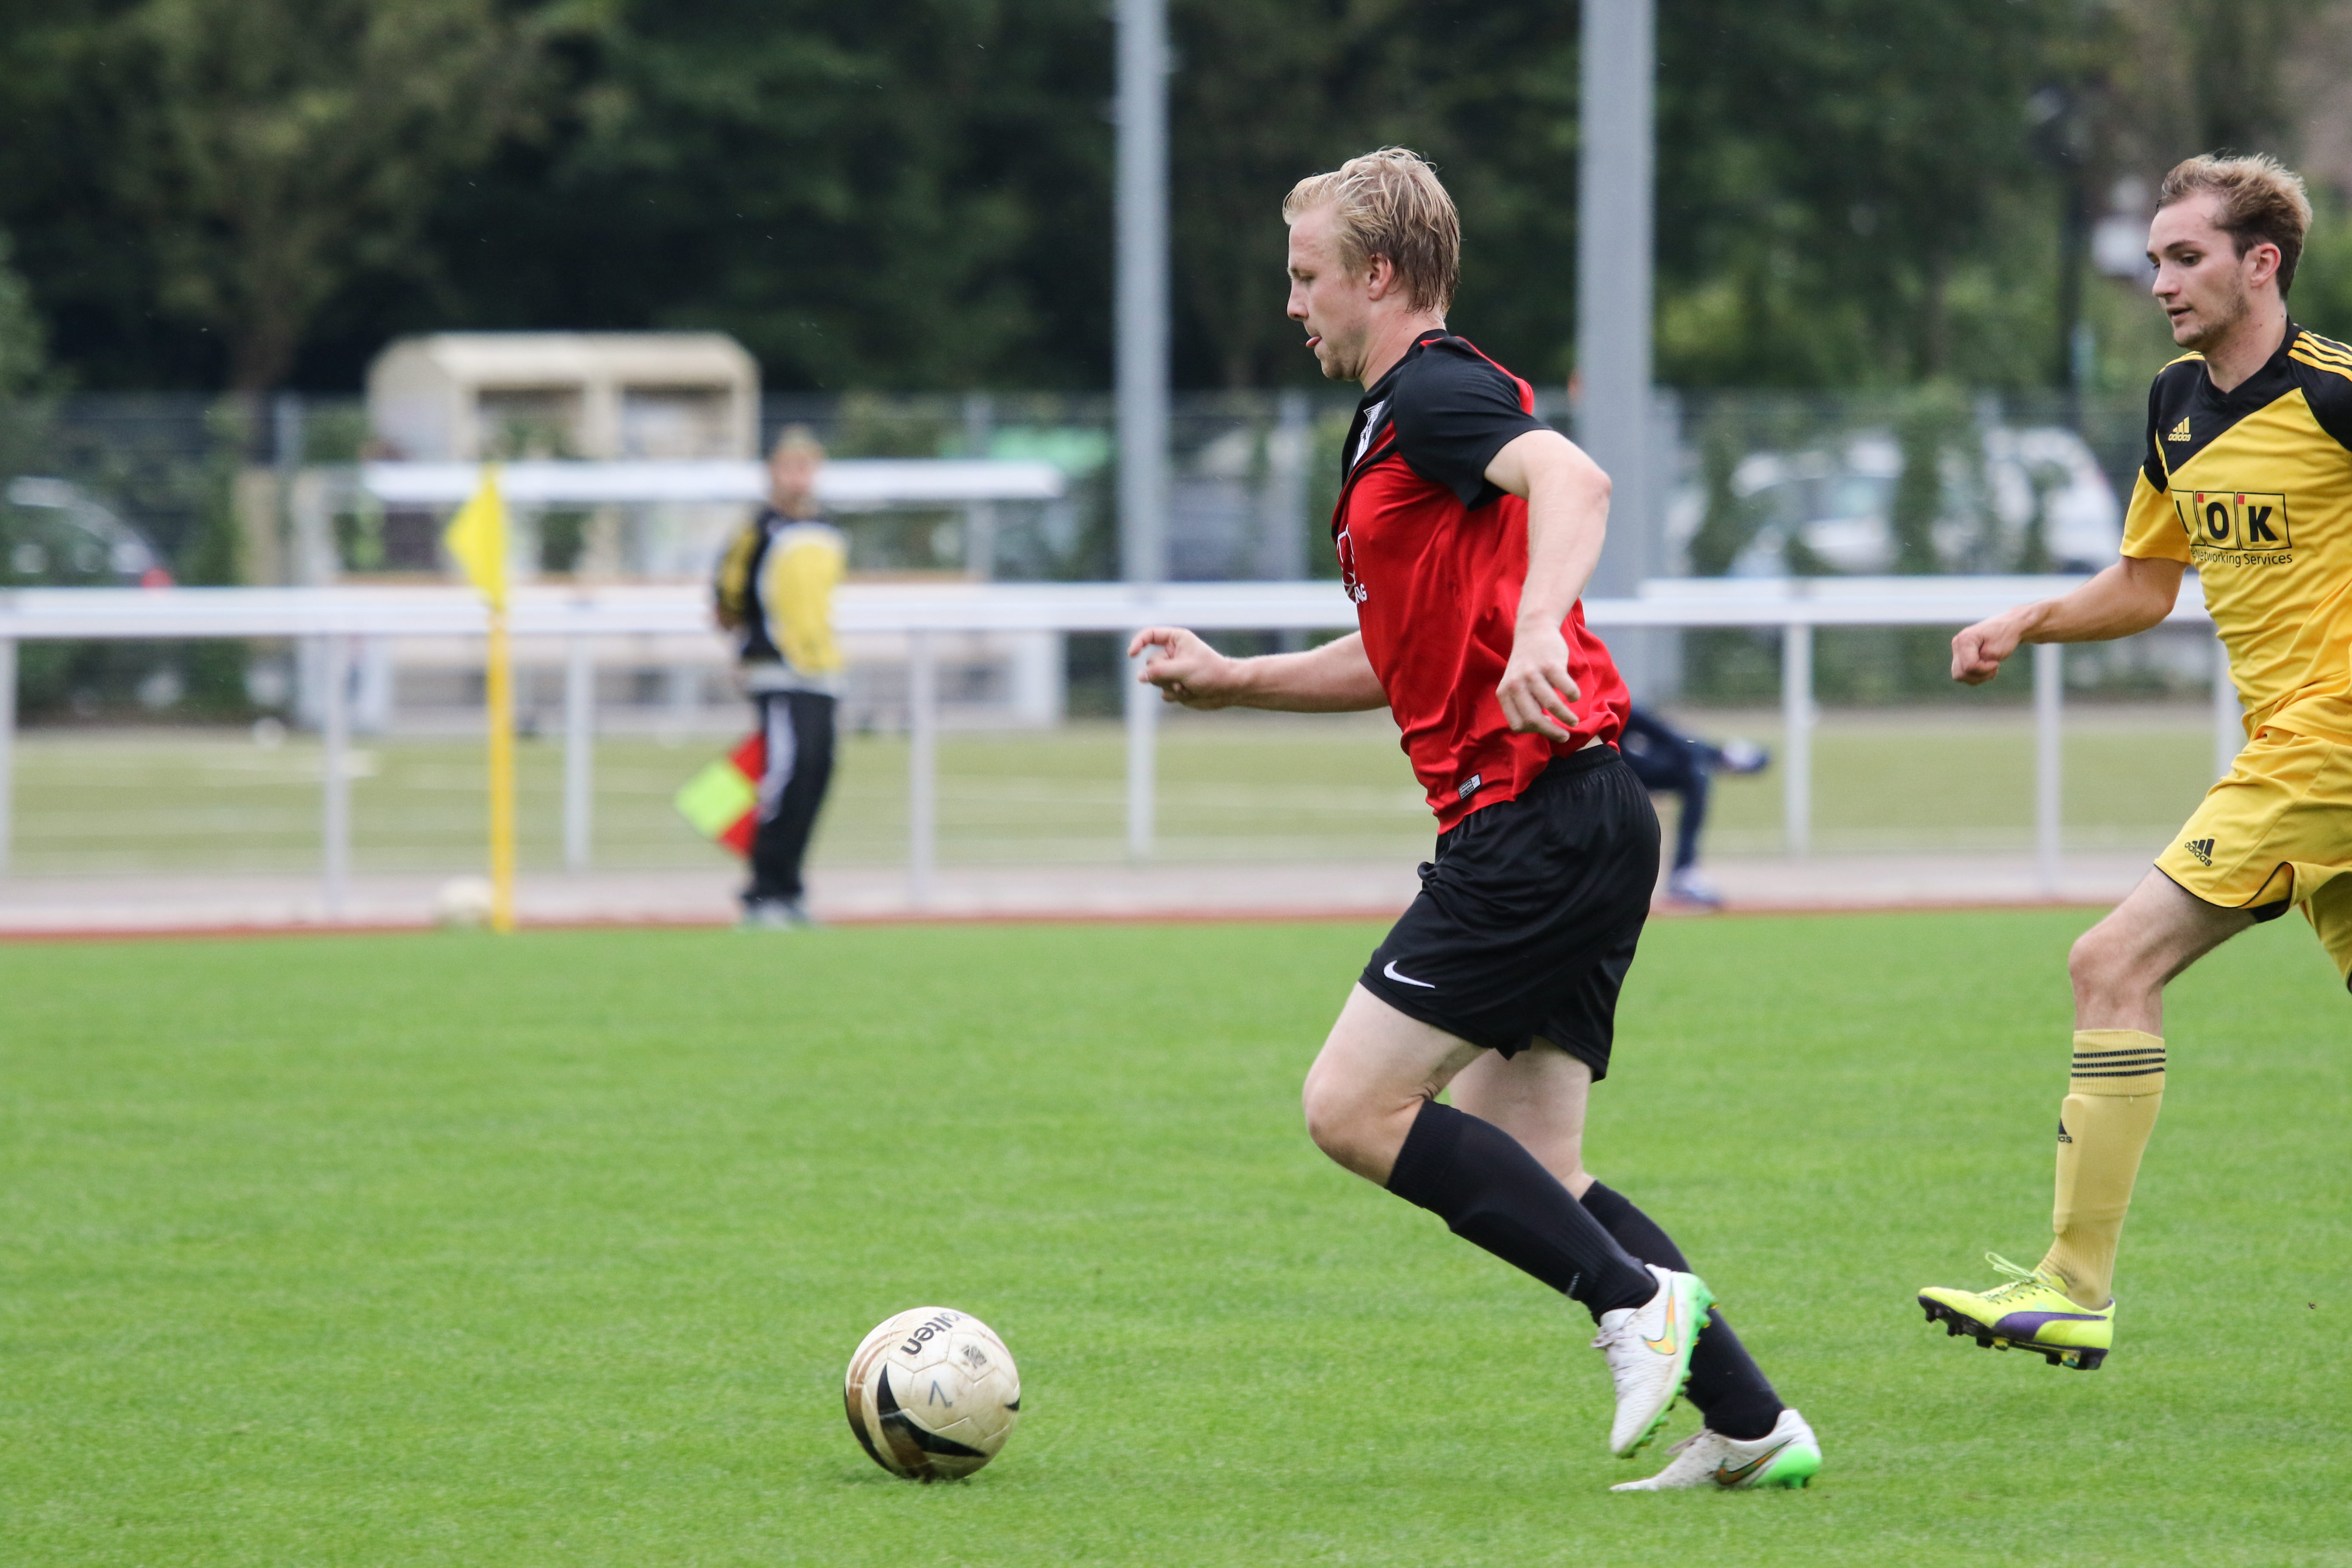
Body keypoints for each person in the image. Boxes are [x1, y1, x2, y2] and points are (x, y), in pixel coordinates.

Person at [1130, 149, 1818, 1490]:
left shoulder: (1435, 392)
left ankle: (1634, 1304)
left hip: (1538, 822)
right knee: (1540, 1164)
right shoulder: (1394, 424)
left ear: (1380, 276)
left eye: (1309, 277)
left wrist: (1546, 625)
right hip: (1575, 816)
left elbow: (1579, 483)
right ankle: (1752, 1424)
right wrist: (1236, 680)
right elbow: (1400, 651)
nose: (1294, 304)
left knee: (1350, 1105)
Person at [1920, 153, 2352, 1369]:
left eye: (2185, 257)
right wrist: (2026, 620)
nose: (2159, 280)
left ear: (2259, 264)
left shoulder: (2334, 393)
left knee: (2109, 961)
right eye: (2156, 257)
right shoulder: (2173, 403)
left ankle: (2072, 1285)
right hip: (2296, 753)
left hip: (2328, 744)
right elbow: (2146, 586)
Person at [713, 426, 847, 928]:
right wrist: (751, 645)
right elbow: (727, 597)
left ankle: (788, 889)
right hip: (776, 668)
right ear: (773, 471)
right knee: (786, 774)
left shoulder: (828, 530)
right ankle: (764, 892)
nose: (799, 477)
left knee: (815, 775)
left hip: (822, 668)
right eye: (790, 466)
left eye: (806, 466)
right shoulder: (758, 531)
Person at [1617, 705, 1768, 907]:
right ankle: (1724, 756)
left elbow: (1648, 728)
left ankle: (1684, 874)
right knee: (1691, 765)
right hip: (1591, 771)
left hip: (1615, 763)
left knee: (1694, 773)